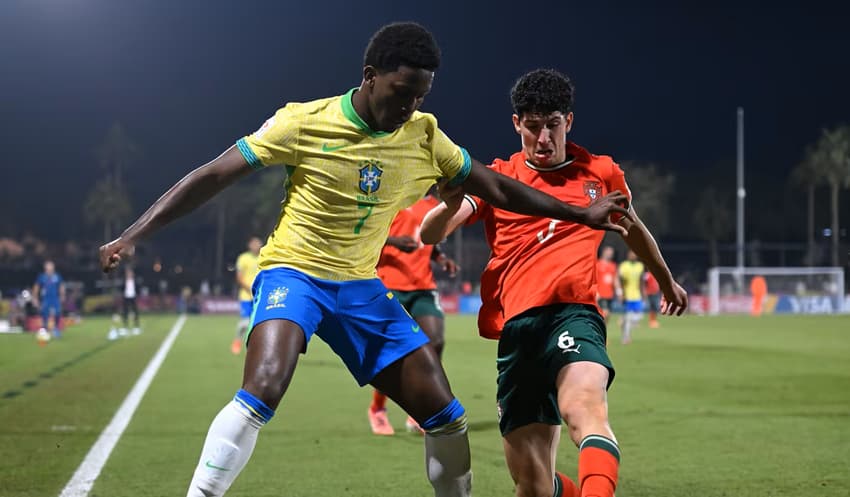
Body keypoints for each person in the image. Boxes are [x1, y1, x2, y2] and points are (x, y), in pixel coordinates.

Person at [98, 24, 630, 497]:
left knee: (446, 417)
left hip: (361, 288)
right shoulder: (303, 122)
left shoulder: (423, 135)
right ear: (371, 76)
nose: (410, 107)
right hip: (295, 273)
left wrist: (577, 213)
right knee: (264, 386)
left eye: (420, 96)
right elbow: (212, 175)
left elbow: (496, 186)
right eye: (402, 92)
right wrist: (134, 234)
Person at [420, 69, 688, 497]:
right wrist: (447, 202)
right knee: (533, 486)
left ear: (569, 121)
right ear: (516, 124)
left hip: (573, 314)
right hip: (517, 332)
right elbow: (431, 234)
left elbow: (632, 227)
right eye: (532, 126)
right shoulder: (499, 177)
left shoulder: (599, 174)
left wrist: (666, 280)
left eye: (553, 125)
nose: (543, 138)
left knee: (584, 408)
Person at [369, 192, 458, 435]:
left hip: (423, 285)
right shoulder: (393, 196)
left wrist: (441, 259)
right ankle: (377, 409)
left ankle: (418, 411)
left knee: (435, 342)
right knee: (394, 351)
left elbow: (427, 241)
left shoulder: (433, 206)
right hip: (390, 285)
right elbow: (366, 233)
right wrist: (394, 242)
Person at [232, 237, 262, 354]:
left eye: (257, 243)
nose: (256, 246)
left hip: (260, 295)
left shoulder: (264, 257)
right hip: (246, 296)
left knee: (259, 323)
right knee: (245, 323)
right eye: (253, 244)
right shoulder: (243, 258)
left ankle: (255, 346)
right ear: (249, 245)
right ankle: (237, 340)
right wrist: (249, 289)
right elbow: (239, 277)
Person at [618, 250, 644, 344]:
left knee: (639, 316)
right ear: (628, 255)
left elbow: (641, 282)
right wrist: (621, 293)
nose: (633, 256)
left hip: (637, 295)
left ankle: (623, 320)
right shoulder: (624, 266)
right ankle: (626, 338)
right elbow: (620, 280)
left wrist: (643, 294)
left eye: (634, 254)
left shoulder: (640, 266)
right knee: (629, 318)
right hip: (628, 296)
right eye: (631, 254)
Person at [33, 260, 64, 338]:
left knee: (57, 312)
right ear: (45, 267)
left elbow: (61, 286)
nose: (50, 268)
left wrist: (62, 296)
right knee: (44, 313)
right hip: (45, 299)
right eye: (48, 266)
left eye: (51, 266)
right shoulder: (42, 277)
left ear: (53, 267)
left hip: (55, 298)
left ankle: (56, 329)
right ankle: (45, 329)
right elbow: (36, 287)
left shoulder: (57, 276)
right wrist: (35, 298)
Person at [595, 246, 620, 323]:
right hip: (600, 294)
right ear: (604, 252)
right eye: (608, 252)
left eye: (611, 253)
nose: (610, 254)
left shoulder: (613, 266)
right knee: (604, 313)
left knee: (608, 314)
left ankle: (603, 331)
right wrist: (595, 291)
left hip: (609, 294)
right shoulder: (597, 264)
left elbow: (615, 279)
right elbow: (593, 279)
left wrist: (619, 291)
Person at [122, 266, 142, 334]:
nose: (129, 274)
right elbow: (122, 289)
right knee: (125, 312)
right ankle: (125, 327)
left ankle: (136, 327)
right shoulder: (124, 281)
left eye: (130, 273)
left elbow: (138, 289)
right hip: (126, 297)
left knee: (135, 312)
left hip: (133, 297)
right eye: (128, 273)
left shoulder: (135, 281)